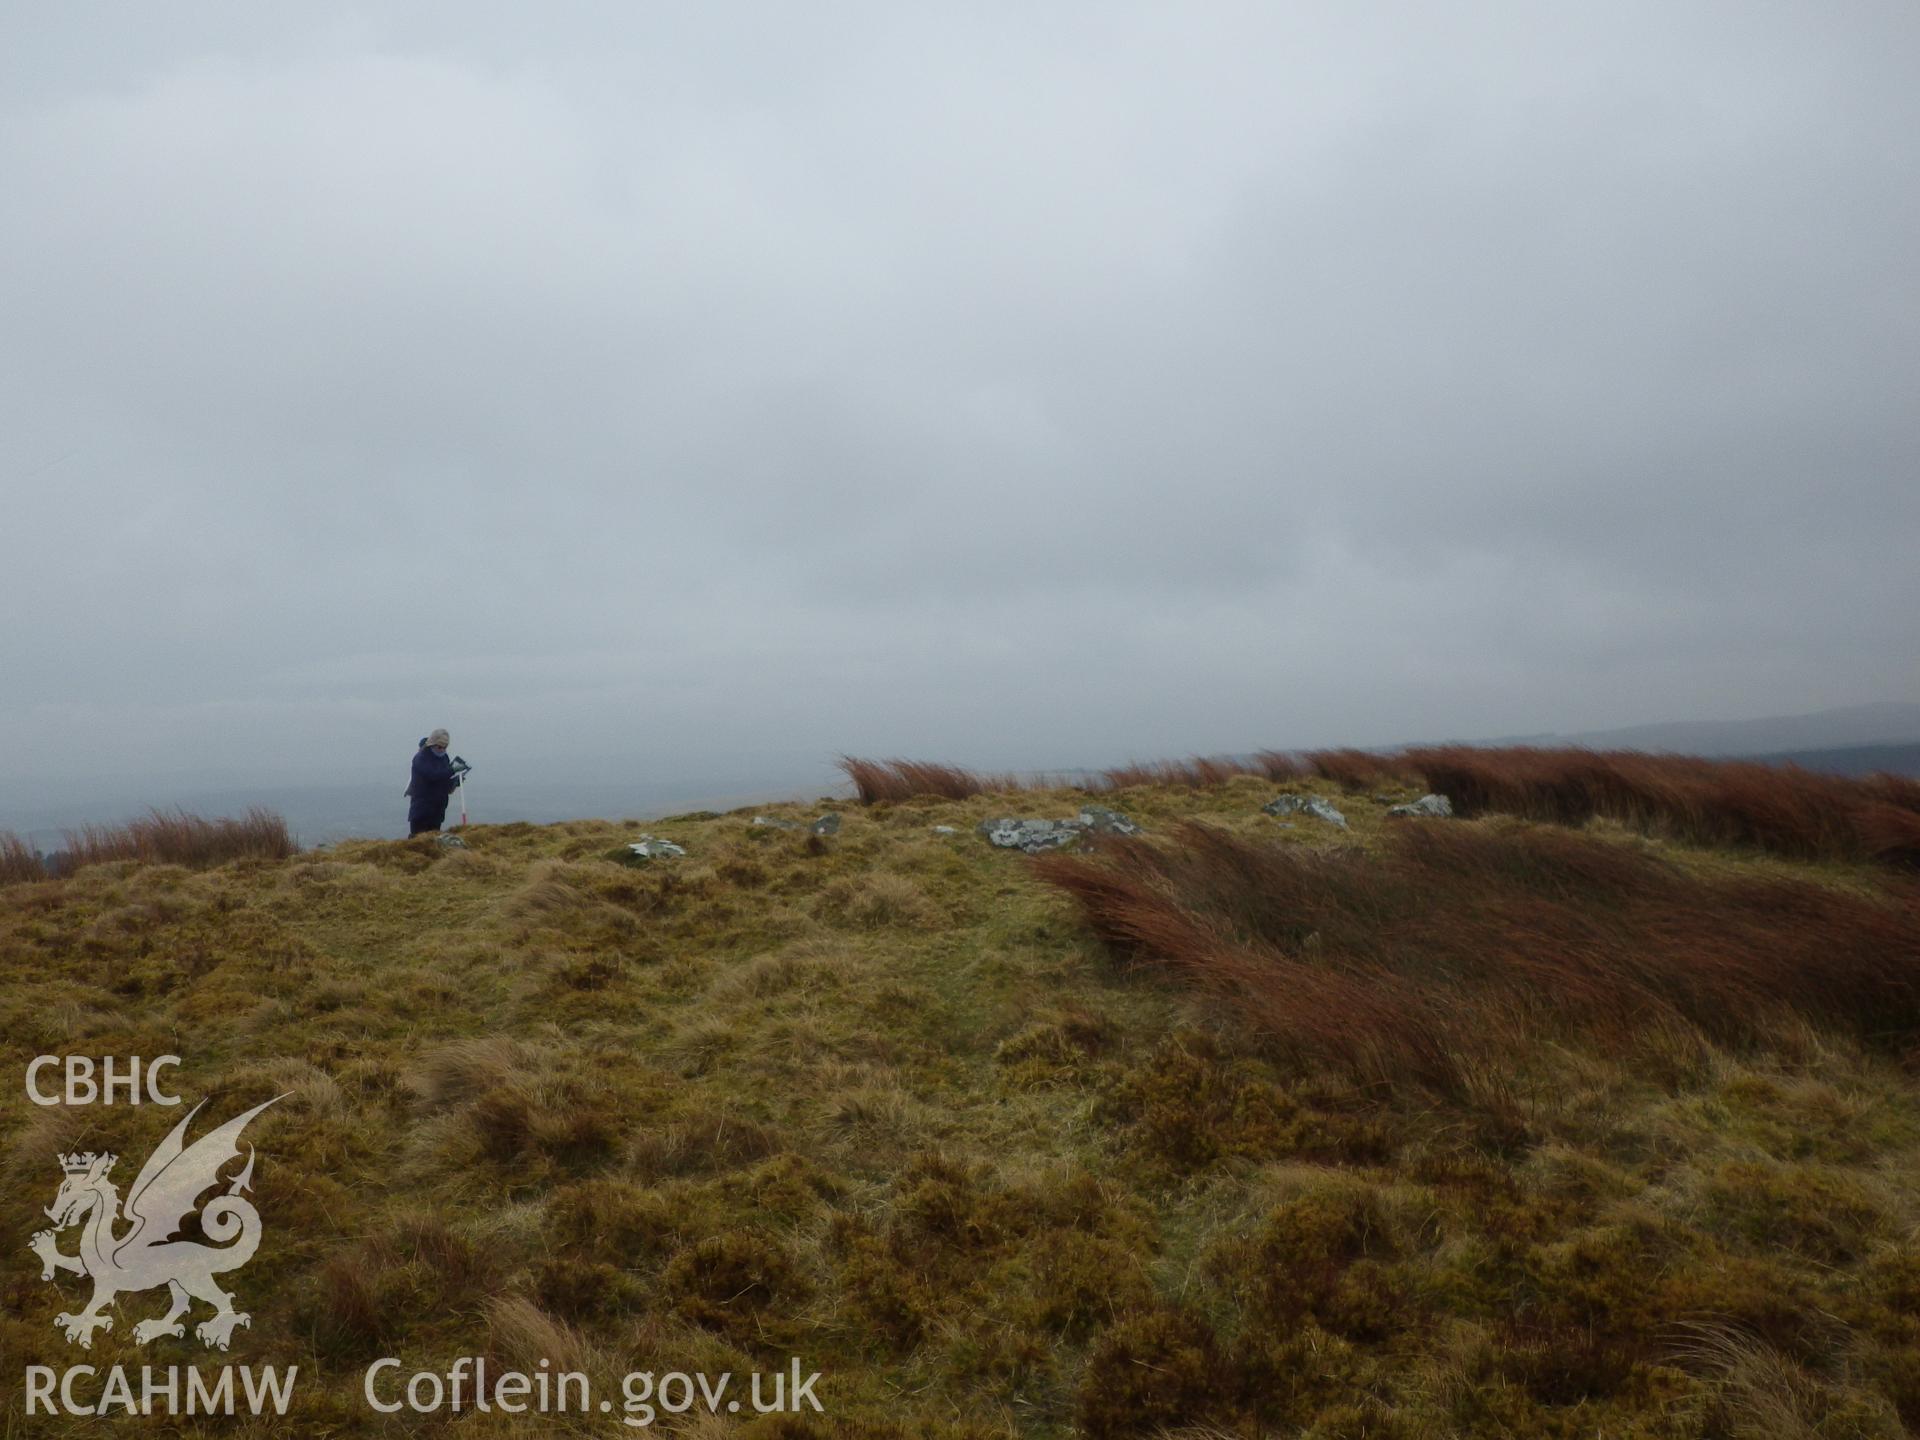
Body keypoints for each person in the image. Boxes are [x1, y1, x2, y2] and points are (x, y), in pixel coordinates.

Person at [405, 728, 464, 836]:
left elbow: (443, 779)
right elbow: (433, 775)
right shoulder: (420, 758)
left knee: (434, 841)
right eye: (439, 747)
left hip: (438, 809)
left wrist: (455, 782)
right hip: (422, 810)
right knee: (418, 843)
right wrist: (453, 770)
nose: (442, 750)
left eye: (445, 747)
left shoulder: (444, 758)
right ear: (432, 743)